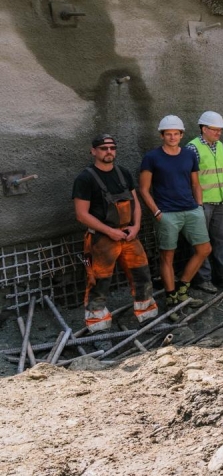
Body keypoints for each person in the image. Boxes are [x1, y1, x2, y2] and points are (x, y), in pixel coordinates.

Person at [72, 134, 158, 331]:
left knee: (142, 273)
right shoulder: (85, 179)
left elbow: (135, 203)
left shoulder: (123, 173)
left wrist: (136, 226)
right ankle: (97, 325)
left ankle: (147, 315)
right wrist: (110, 231)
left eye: (112, 147)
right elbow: (81, 215)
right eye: (103, 148)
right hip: (101, 239)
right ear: (93, 151)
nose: (109, 151)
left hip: (129, 235)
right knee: (98, 280)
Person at [139, 115, 212, 304]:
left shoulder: (189, 154)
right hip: (167, 213)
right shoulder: (152, 157)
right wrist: (157, 212)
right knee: (167, 256)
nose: (172, 137)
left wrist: (199, 205)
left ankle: (183, 289)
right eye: (168, 134)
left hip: (191, 209)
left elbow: (195, 183)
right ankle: (171, 297)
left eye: (176, 134)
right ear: (162, 135)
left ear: (181, 135)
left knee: (204, 249)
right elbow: (144, 189)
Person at [185, 111, 223, 293]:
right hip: (201, 203)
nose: (219, 133)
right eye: (215, 130)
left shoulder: (219, 145)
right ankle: (203, 279)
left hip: (219, 201)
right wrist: (195, 203)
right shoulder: (193, 148)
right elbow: (189, 178)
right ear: (204, 129)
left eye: (220, 130)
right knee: (201, 243)